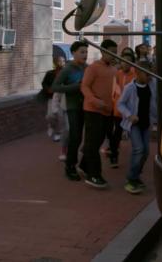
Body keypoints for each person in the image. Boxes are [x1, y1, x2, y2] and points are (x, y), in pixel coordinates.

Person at [79, 39, 119, 188]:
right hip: (93, 110)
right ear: (103, 51)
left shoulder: (114, 69)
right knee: (93, 143)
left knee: (96, 141)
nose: (114, 56)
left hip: (107, 112)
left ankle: (83, 166)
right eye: (111, 53)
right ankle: (94, 175)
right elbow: (84, 87)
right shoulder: (93, 68)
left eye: (115, 53)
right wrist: (95, 101)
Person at [117, 60, 157, 194]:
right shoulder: (130, 88)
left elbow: (156, 101)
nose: (150, 77)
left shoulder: (152, 85)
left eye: (151, 74)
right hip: (134, 124)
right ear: (138, 73)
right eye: (147, 74)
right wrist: (129, 115)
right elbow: (120, 104)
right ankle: (131, 179)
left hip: (147, 123)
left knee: (145, 152)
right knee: (138, 149)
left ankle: (136, 175)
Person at [52, 41, 88, 181]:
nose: (85, 55)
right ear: (73, 53)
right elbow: (55, 87)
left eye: (86, 52)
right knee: (76, 137)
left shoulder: (88, 68)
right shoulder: (67, 69)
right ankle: (70, 166)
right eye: (82, 52)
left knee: (90, 137)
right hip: (73, 107)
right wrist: (75, 87)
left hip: (88, 106)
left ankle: (85, 164)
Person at [108, 50, 137, 168]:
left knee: (135, 134)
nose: (125, 64)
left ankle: (137, 158)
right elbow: (114, 90)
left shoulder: (136, 74)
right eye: (123, 61)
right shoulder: (118, 74)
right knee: (117, 133)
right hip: (119, 109)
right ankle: (113, 155)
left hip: (132, 110)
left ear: (132, 64)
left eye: (128, 62)